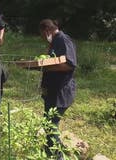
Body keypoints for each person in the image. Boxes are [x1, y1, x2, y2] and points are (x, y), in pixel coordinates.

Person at [39, 19, 77, 159]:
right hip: (52, 90)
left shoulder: (63, 39)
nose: (43, 38)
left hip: (61, 91)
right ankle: (49, 152)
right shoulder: (54, 41)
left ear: (47, 31)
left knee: (51, 124)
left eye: (43, 35)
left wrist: (45, 66)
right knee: (48, 122)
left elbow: (70, 64)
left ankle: (57, 156)